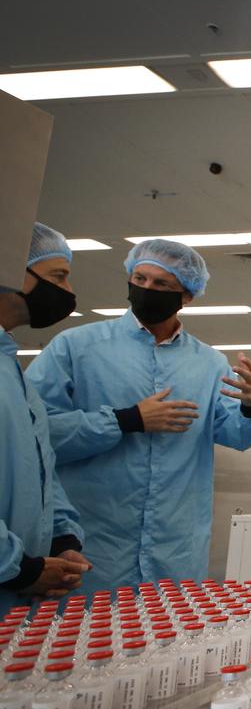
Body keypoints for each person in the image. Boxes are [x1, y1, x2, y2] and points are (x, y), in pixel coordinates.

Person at [26, 239, 251, 595]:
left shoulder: (208, 363)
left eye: (161, 284)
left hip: (175, 547)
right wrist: (126, 420)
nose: (146, 290)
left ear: (186, 296)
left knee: (171, 640)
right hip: (92, 543)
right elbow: (35, 435)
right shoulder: (76, 348)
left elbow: (236, 434)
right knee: (82, 643)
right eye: (139, 279)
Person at [0, 223, 91, 611]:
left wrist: (61, 540)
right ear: (11, 271)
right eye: (59, 276)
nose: (67, 292)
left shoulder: (14, 375)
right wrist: (18, 567)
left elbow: (41, 472)